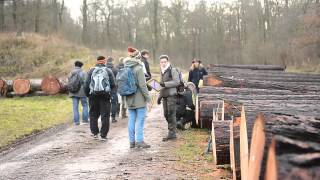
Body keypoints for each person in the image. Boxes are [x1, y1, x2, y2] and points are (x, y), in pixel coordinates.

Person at [125, 47, 151, 148]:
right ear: (138, 57)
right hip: (139, 98)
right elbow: (142, 85)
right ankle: (139, 141)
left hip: (129, 98)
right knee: (140, 120)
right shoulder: (138, 68)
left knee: (131, 120)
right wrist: (148, 97)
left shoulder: (126, 67)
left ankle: (132, 142)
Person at [84, 56, 116, 141]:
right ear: (104, 62)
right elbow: (113, 84)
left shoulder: (91, 70)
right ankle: (103, 135)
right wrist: (111, 95)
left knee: (93, 114)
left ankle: (95, 133)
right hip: (105, 96)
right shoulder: (108, 71)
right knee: (105, 115)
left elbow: (86, 84)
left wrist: (88, 94)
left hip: (93, 96)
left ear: (97, 62)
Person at [157, 55, 180, 141]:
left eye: (164, 62)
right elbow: (160, 86)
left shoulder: (172, 70)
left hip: (171, 95)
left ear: (167, 62)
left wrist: (165, 84)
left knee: (171, 114)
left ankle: (172, 133)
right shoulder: (161, 71)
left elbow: (177, 82)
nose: (163, 63)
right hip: (165, 96)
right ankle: (173, 129)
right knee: (166, 114)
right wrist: (159, 97)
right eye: (161, 62)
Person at [68, 60, 89, 125]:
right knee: (85, 105)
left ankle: (76, 122)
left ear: (75, 65)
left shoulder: (71, 72)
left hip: (73, 92)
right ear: (81, 66)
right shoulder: (83, 72)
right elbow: (86, 82)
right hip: (82, 92)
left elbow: (68, 81)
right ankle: (85, 120)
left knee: (75, 107)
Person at [106, 57, 120, 123]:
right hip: (113, 88)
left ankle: (105, 117)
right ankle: (113, 117)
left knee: (105, 102)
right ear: (112, 62)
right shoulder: (115, 69)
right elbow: (118, 79)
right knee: (114, 102)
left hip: (104, 89)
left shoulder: (104, 69)